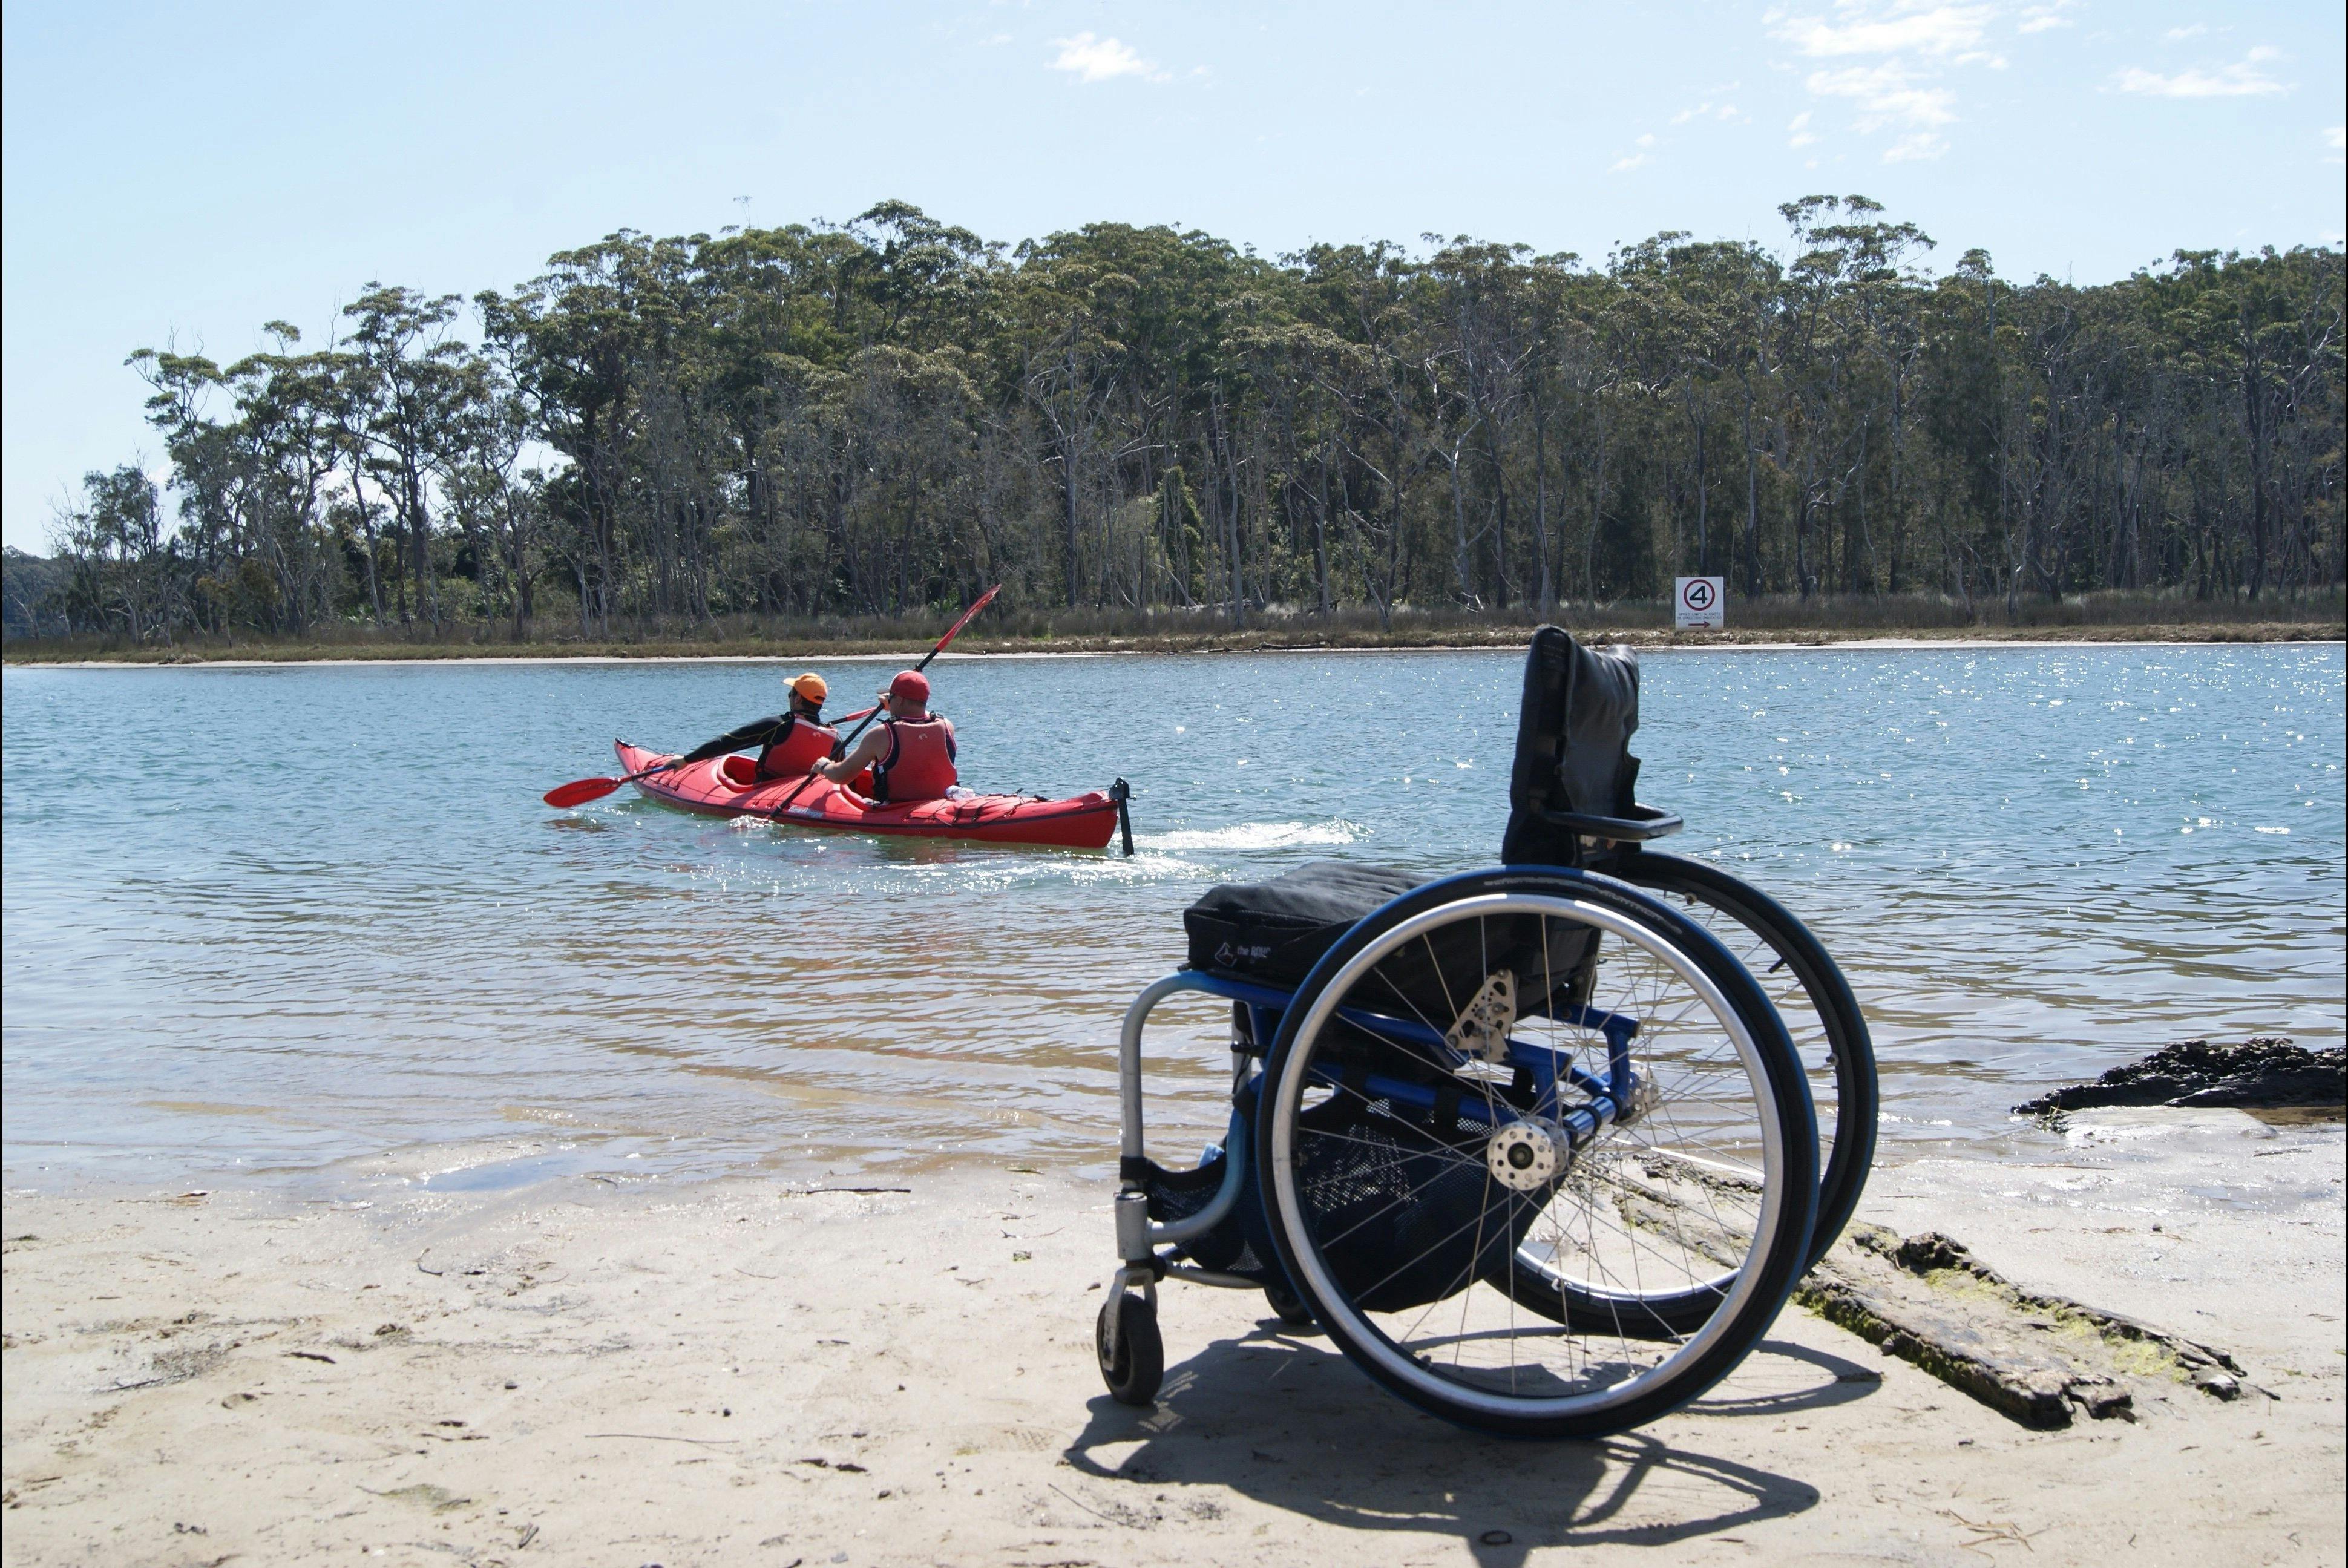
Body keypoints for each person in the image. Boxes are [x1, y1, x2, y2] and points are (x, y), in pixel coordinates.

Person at [816, 669, 957, 802]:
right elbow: (919, 719)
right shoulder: (947, 726)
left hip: (895, 809)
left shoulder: (881, 735)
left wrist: (825, 767)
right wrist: (894, 703)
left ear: (900, 700)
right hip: (939, 804)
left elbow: (842, 776)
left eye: (891, 697)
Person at [671, 672, 841, 780]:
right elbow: (840, 777)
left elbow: (728, 741)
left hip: (764, 791)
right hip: (803, 796)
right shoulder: (836, 740)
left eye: (791, 693)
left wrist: (686, 760)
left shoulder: (778, 725)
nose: (789, 696)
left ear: (797, 699)